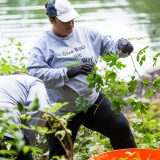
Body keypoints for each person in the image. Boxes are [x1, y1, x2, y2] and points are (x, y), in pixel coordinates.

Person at [27, 0, 137, 159]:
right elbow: (35, 73)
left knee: (120, 128)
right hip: (61, 110)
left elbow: (109, 47)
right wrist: (68, 72)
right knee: (61, 155)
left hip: (92, 101)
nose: (70, 24)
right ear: (52, 20)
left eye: (72, 19)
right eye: (65, 21)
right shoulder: (42, 44)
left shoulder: (87, 33)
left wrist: (122, 46)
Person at [0, 73, 50, 160]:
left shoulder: (5, 81)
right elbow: (40, 107)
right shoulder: (34, 81)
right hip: (4, 126)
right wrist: (29, 140)